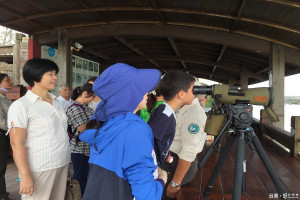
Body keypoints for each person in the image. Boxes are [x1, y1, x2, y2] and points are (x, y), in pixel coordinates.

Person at [79, 63, 167, 200]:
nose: (147, 93)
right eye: (141, 88)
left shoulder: (102, 121)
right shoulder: (135, 129)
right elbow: (146, 195)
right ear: (128, 93)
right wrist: (162, 179)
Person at [7, 58, 70, 200]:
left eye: (55, 74)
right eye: (50, 74)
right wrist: (25, 175)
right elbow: (17, 144)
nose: (55, 78)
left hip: (61, 163)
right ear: (35, 76)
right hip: (39, 168)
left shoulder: (56, 102)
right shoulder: (21, 105)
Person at [161, 97, 207, 200]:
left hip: (178, 164)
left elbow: (188, 152)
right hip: (170, 160)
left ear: (181, 92)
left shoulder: (194, 114)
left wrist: (175, 183)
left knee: (163, 195)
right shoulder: (182, 109)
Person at [148, 70, 195, 167]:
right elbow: (148, 142)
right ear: (181, 94)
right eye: (193, 90)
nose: (195, 94)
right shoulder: (165, 114)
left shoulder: (167, 111)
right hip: (150, 167)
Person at [66, 83, 95, 196]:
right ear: (85, 93)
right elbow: (83, 129)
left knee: (87, 180)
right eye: (92, 96)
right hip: (80, 150)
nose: (93, 99)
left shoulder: (85, 107)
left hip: (89, 150)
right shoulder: (74, 108)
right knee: (80, 180)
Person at [0, 73, 13, 200]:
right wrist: (13, 133)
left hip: (5, 135)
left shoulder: (5, 98)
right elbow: (1, 121)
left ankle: (2, 191)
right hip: (2, 134)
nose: (10, 82)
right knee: (1, 165)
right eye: (7, 80)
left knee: (3, 165)